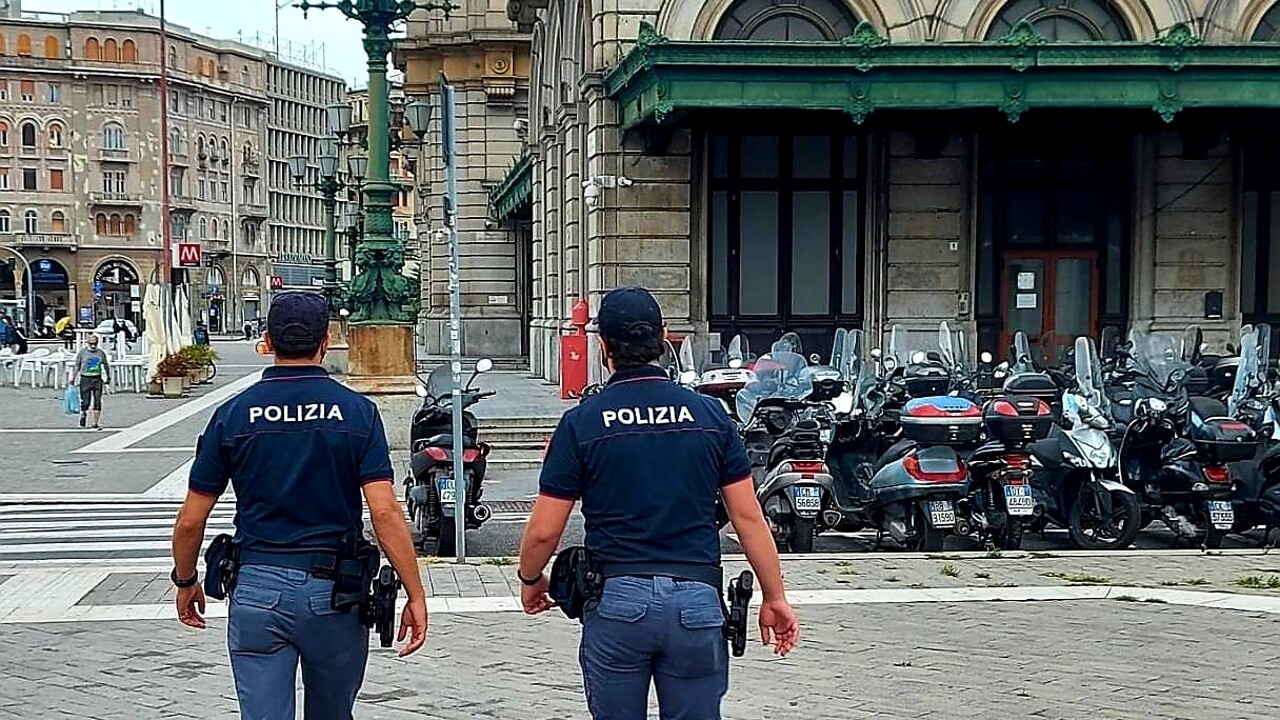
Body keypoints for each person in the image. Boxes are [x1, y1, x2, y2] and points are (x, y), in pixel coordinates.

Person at [517, 286, 799, 720]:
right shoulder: (710, 416)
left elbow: (543, 530)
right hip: (696, 600)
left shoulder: (582, 423)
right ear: (665, 337)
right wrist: (774, 595)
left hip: (617, 601)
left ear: (602, 344)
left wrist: (532, 577)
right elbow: (747, 517)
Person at [169, 291, 428, 720]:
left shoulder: (232, 415)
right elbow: (384, 512)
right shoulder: (357, 413)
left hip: (256, 586)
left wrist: (185, 579)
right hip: (333, 593)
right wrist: (414, 593)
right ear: (327, 341)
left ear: (267, 341)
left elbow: (190, 520)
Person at [71, 334, 110, 429]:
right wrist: (73, 377)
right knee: (85, 401)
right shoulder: (82, 353)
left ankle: (95, 422)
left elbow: (105, 365)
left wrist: (108, 377)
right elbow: (77, 365)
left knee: (97, 400)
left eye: (95, 344)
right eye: (91, 344)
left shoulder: (101, 353)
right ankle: (83, 413)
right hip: (85, 378)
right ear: (87, 343)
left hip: (97, 378)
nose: (93, 346)